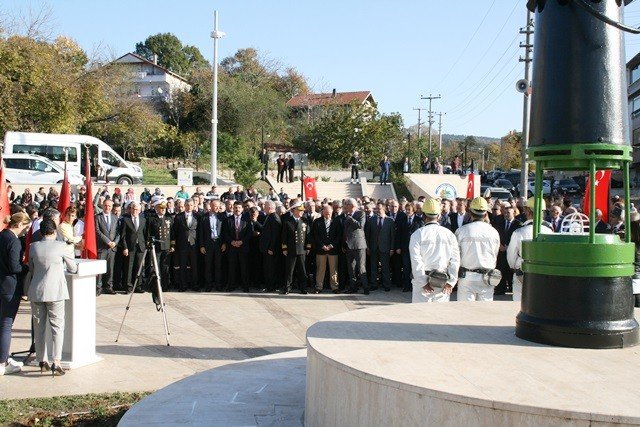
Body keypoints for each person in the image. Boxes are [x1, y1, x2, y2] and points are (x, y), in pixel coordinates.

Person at [25, 218, 78, 376]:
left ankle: (42, 360)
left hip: (37, 291)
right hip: (56, 292)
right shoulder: (62, 247)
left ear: (41, 233)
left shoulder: (33, 247)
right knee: (57, 327)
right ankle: (56, 361)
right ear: (54, 231)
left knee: (39, 327)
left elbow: (32, 270)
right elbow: (73, 267)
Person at [409, 198, 460, 303]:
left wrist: (423, 282)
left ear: (423, 216)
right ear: (439, 216)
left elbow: (416, 260)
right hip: (442, 281)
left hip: (423, 282)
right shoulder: (449, 234)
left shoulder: (417, 234)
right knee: (440, 317)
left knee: (420, 316)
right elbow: (455, 260)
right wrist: (451, 281)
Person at [0, 212, 31, 376]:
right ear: (19, 225)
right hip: (10, 287)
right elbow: (15, 267)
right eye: (25, 227)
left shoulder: (2, 235)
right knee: (6, 325)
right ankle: (2, 362)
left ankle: (2, 358)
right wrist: (27, 267)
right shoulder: (14, 241)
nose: (26, 231)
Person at [507, 197, 553, 302]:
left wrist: (515, 266)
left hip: (522, 273)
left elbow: (511, 257)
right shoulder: (550, 232)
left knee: (519, 305)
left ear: (528, 211)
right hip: (543, 275)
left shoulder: (519, 232)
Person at [455, 197, 501, 301]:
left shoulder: (461, 231)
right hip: (487, 278)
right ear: (486, 214)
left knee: (466, 313)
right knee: (485, 315)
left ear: (470, 213)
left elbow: (456, 256)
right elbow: (495, 253)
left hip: (467, 278)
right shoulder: (494, 232)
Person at [281, 202, 311, 294]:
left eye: (302, 211)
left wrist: (308, 247)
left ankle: (303, 288)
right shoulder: (288, 221)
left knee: (302, 270)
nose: (302, 212)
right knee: (290, 271)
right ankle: (287, 288)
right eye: (300, 210)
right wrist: (284, 249)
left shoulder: (305, 221)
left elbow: (308, 235)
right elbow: (284, 237)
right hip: (291, 249)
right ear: (294, 210)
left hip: (302, 249)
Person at [365, 202, 395, 291]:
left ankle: (386, 285)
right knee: (373, 267)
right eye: (376, 209)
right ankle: (374, 284)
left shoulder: (390, 220)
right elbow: (368, 235)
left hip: (385, 248)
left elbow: (392, 236)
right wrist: (368, 247)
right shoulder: (371, 220)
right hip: (373, 248)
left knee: (385, 267)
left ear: (384, 209)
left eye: (379, 208)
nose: (377, 210)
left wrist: (392, 248)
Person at [223, 201, 252, 292]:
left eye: (239, 208)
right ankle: (231, 285)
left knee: (244, 267)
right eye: (235, 207)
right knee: (232, 267)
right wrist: (231, 241)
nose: (237, 209)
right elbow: (225, 233)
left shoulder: (247, 219)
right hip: (232, 247)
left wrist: (241, 241)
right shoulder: (228, 219)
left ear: (242, 209)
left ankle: (245, 286)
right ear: (233, 208)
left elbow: (249, 233)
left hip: (243, 247)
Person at [312, 204, 341, 293]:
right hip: (321, 250)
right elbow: (315, 236)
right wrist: (322, 245)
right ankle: (319, 287)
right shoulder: (317, 222)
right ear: (323, 212)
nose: (328, 215)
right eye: (326, 213)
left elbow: (339, 235)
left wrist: (332, 245)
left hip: (333, 250)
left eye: (329, 213)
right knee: (320, 269)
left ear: (332, 212)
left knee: (334, 269)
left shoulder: (336, 221)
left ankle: (335, 287)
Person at [171, 199, 199, 291]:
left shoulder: (197, 216)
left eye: (191, 205)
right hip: (182, 245)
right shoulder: (178, 217)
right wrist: (174, 244)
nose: (189, 207)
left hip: (193, 244)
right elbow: (175, 232)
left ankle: (194, 284)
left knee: (194, 265)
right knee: (182, 265)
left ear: (193, 206)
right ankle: (183, 285)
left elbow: (198, 231)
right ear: (185, 205)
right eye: (187, 205)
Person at [119, 202, 147, 294]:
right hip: (129, 247)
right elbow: (123, 235)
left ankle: (138, 286)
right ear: (130, 209)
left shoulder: (143, 220)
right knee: (129, 267)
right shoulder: (125, 220)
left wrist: (145, 246)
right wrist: (125, 247)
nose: (135, 211)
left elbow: (144, 234)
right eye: (133, 209)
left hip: (140, 247)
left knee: (139, 267)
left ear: (140, 210)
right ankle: (128, 287)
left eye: (137, 209)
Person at [396, 202, 424, 292]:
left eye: (409, 209)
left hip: (416, 248)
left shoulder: (419, 220)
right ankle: (407, 286)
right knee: (406, 267)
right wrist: (398, 247)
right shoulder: (402, 220)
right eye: (406, 209)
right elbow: (398, 234)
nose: (407, 211)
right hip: (404, 248)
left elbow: (422, 234)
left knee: (415, 267)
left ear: (413, 210)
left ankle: (415, 286)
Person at [343, 198, 369, 294]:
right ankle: (353, 287)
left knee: (361, 267)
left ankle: (366, 288)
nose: (345, 207)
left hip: (359, 245)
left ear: (352, 205)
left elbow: (360, 226)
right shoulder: (346, 215)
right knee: (351, 268)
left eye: (347, 205)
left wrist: (351, 219)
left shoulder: (361, 213)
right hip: (349, 245)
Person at [198, 200, 223, 292]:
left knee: (218, 265)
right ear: (211, 206)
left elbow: (224, 231)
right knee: (208, 266)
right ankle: (208, 285)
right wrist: (201, 246)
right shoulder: (203, 218)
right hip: (208, 244)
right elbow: (200, 232)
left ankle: (218, 285)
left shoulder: (221, 217)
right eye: (215, 206)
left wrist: (224, 243)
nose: (217, 208)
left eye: (218, 206)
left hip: (218, 244)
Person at [95, 199, 119, 295]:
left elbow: (118, 232)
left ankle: (109, 287)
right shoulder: (97, 217)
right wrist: (108, 241)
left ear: (112, 207)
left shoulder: (115, 217)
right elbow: (97, 231)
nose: (107, 207)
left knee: (110, 268)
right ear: (102, 205)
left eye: (109, 206)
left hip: (112, 248)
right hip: (102, 247)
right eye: (105, 205)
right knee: (100, 268)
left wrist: (115, 242)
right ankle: (98, 288)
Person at [259, 200, 282, 292]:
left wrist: (271, 248)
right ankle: (268, 286)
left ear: (269, 208)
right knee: (267, 268)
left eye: (265, 206)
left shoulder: (275, 218)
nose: (263, 208)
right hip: (266, 248)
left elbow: (275, 235)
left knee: (271, 268)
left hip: (271, 249)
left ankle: (271, 287)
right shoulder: (269, 217)